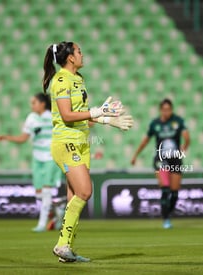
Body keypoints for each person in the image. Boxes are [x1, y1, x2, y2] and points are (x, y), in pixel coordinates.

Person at [43, 41, 133, 262]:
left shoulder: (78, 80)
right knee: (85, 191)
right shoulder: (62, 80)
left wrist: (105, 120)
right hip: (66, 143)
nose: (82, 55)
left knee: (74, 196)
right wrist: (97, 111)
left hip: (81, 142)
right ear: (70, 58)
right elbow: (66, 116)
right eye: (79, 51)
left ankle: (66, 250)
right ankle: (62, 244)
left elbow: (82, 115)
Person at [0, 92, 63, 232]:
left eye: (34, 102)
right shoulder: (31, 118)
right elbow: (23, 138)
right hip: (37, 158)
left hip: (51, 157)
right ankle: (58, 209)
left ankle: (42, 224)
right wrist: (7, 137)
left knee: (46, 191)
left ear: (42, 104)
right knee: (39, 194)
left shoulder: (53, 116)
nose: (32, 105)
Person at [131, 98, 190, 229]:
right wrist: (135, 155)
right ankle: (166, 219)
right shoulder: (155, 124)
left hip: (175, 158)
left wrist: (184, 147)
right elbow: (145, 141)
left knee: (174, 193)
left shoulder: (178, 121)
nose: (166, 112)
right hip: (160, 159)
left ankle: (168, 214)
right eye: (164, 109)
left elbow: (187, 137)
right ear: (160, 110)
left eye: (168, 109)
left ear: (172, 110)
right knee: (165, 189)